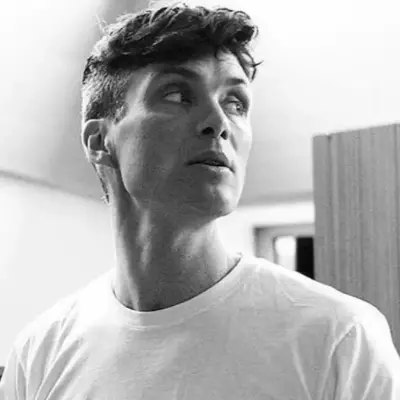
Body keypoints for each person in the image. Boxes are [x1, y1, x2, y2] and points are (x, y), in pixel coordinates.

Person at [1, 2, 400, 399]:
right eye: (177, 94)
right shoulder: (39, 355)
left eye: (235, 102)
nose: (219, 122)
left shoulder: (339, 339)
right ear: (100, 141)